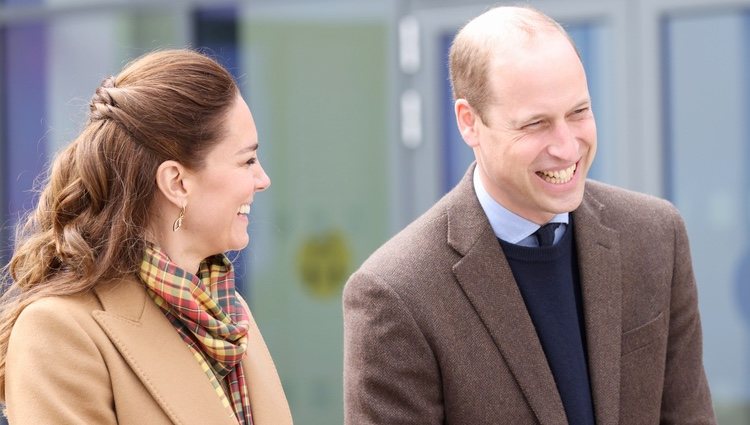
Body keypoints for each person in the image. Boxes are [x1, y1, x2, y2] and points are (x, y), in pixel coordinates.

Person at [343, 6, 716, 425]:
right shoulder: (397, 293)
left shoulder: (655, 236)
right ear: (469, 123)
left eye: (578, 112)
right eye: (536, 124)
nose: (566, 146)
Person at [0, 49, 292, 425]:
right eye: (247, 160)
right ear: (177, 182)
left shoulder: (227, 313)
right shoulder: (59, 332)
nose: (262, 179)